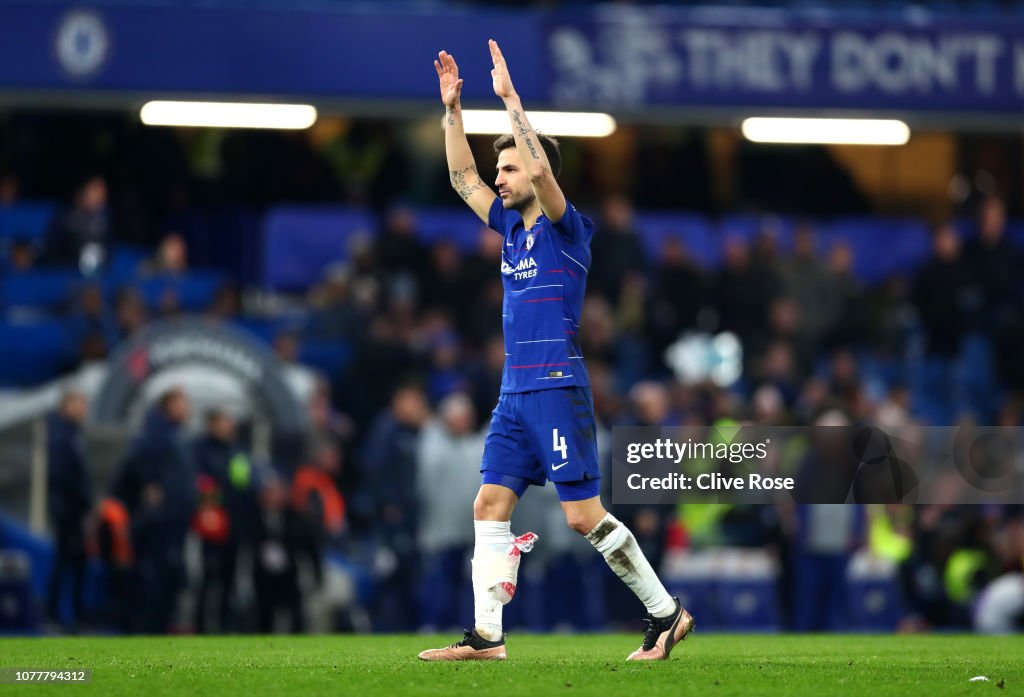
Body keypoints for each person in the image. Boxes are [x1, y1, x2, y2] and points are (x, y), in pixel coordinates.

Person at [419, 41, 693, 662]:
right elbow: (462, 178)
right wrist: (454, 109)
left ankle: (666, 613)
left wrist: (512, 101)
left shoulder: (569, 232)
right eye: (503, 171)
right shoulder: (509, 228)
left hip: (558, 388)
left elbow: (542, 173)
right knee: (488, 504)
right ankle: (488, 635)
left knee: (580, 516)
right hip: (514, 393)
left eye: (509, 169)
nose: (500, 177)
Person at [45, 391, 93, 631]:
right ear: (66, 405)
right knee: (65, 560)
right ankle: (56, 615)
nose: (84, 408)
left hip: (72, 509)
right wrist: (81, 503)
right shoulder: (61, 435)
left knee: (74, 561)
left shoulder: (73, 434)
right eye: (79, 402)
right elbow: (63, 476)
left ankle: (70, 614)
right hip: (67, 511)